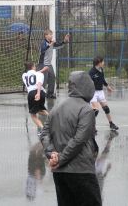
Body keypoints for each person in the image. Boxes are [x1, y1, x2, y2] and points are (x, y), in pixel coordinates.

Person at [40, 71, 101, 206]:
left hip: (60, 173)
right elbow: (79, 140)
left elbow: (44, 134)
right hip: (82, 171)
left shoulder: (56, 108)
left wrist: (51, 154)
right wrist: (60, 159)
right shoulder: (86, 110)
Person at [38, 29, 70, 99]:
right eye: (50, 34)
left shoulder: (51, 43)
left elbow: (59, 45)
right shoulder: (43, 42)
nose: (51, 35)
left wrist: (64, 41)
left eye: (52, 34)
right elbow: (43, 50)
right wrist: (51, 44)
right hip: (42, 64)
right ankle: (40, 94)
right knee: (43, 80)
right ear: (46, 36)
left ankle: (50, 94)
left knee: (52, 77)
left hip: (49, 64)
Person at [89, 56, 119, 131]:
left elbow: (102, 80)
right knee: (95, 110)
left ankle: (111, 124)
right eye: (103, 62)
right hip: (93, 92)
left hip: (100, 91)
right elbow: (87, 82)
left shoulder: (101, 70)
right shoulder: (91, 72)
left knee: (106, 108)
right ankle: (91, 126)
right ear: (99, 63)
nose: (104, 63)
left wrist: (107, 87)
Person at [22, 62, 49, 134]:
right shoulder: (39, 74)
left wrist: (37, 93)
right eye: (35, 66)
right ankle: (51, 116)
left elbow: (34, 76)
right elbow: (39, 82)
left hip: (32, 93)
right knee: (40, 109)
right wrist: (39, 93)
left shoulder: (24, 75)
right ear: (33, 67)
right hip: (41, 93)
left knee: (33, 114)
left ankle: (43, 130)